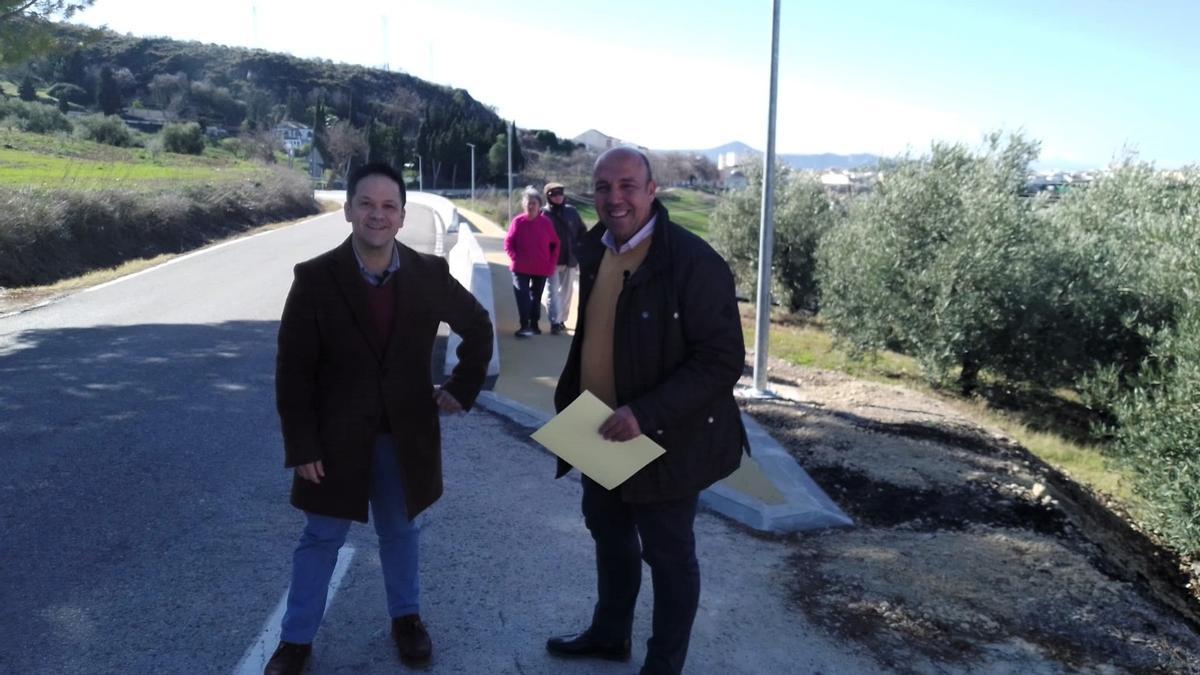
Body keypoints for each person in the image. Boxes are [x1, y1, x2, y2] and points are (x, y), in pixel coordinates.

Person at [266, 162, 494, 675]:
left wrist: (461, 387)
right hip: (334, 440)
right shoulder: (315, 279)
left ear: (402, 215)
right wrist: (302, 444)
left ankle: (406, 619)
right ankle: (295, 641)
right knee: (321, 538)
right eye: (366, 204)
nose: (378, 214)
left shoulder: (429, 274)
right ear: (348, 210)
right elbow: (293, 371)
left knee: (401, 531)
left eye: (389, 205)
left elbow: (479, 327)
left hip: (404, 435)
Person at [546, 147, 747, 675]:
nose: (615, 198)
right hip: (599, 429)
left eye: (628, 186)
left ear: (652, 191)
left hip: (666, 438)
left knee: (669, 556)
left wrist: (646, 413)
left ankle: (663, 665)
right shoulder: (596, 249)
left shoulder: (693, 262)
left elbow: (722, 360)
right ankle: (610, 635)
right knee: (608, 535)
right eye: (603, 187)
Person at [503, 187, 559, 338]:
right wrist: (514, 257)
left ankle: (534, 324)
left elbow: (555, 244)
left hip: (541, 267)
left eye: (534, 203)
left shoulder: (546, 223)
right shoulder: (518, 222)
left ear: (539, 205)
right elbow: (508, 242)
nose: (531, 206)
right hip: (520, 267)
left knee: (536, 297)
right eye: (528, 203)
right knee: (522, 295)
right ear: (523, 204)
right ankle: (524, 325)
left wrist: (551, 263)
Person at [541, 181, 588, 335]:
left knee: (567, 292)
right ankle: (555, 321)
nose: (558, 197)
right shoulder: (543, 215)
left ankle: (562, 320)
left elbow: (582, 231)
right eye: (554, 194)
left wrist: (580, 249)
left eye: (560, 193)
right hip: (551, 260)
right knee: (552, 291)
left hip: (570, 259)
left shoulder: (572, 212)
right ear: (548, 196)